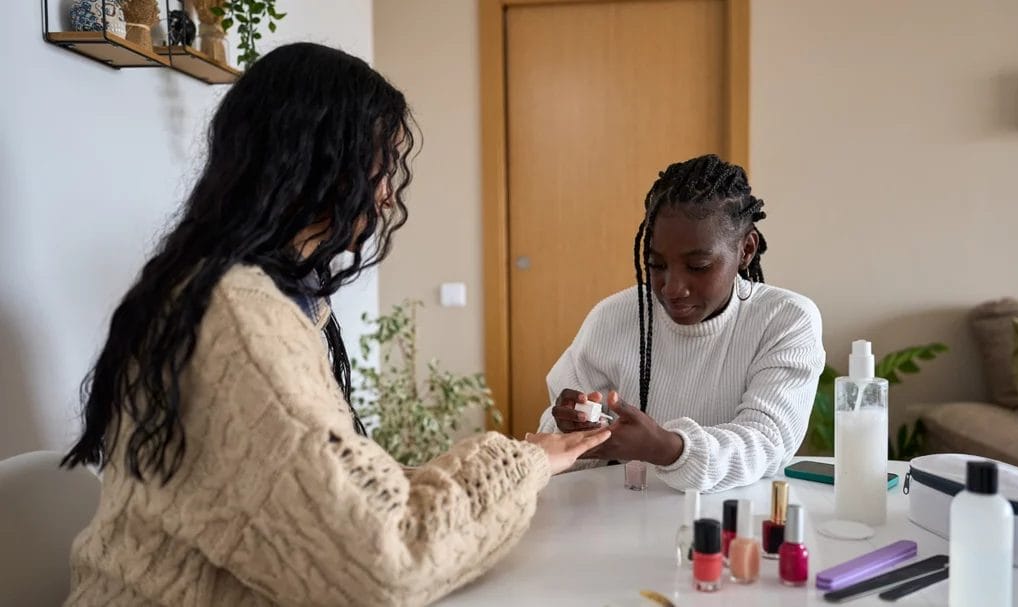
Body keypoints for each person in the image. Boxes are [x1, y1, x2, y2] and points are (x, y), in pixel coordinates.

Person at [60, 43, 609, 607]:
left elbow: (329, 490)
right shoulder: (236, 321)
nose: (388, 195)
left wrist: (531, 462)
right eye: (380, 168)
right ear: (318, 163)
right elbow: (388, 562)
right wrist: (525, 463)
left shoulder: (241, 293)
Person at [539, 154, 824, 493]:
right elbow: (557, 451)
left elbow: (765, 442)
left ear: (746, 249)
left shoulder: (785, 320)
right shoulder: (612, 317)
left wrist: (667, 448)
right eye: (657, 265)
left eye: (699, 266)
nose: (672, 288)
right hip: (621, 520)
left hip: (734, 528)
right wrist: (571, 428)